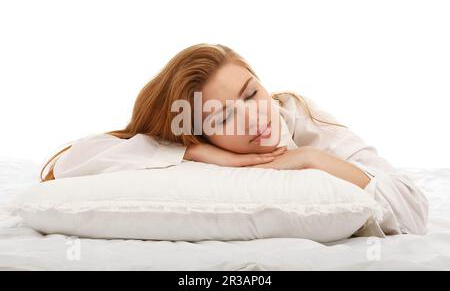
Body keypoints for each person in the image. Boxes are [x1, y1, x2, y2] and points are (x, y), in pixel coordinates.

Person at [40, 43, 429, 235]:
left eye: (250, 94)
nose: (256, 117)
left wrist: (312, 158)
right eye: (223, 117)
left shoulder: (296, 113)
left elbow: (412, 208)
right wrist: (198, 152)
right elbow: (70, 162)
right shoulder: (192, 144)